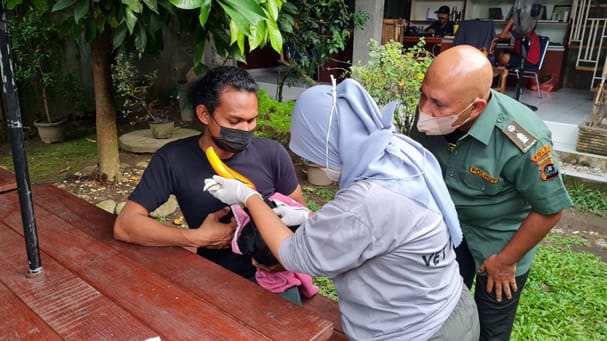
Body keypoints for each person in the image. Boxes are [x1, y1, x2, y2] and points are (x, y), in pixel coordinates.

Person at [204, 78, 480, 340]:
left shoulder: (367, 199)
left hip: (416, 331)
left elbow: (293, 254)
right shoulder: (395, 151)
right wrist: (307, 217)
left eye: (313, 153)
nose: (316, 162)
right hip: (450, 304)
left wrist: (247, 195)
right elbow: (381, 228)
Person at [410, 45, 573, 341]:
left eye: (438, 104)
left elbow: (550, 208)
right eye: (423, 95)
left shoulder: (523, 139)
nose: (425, 110)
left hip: (499, 245)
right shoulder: (430, 112)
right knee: (439, 317)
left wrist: (507, 261)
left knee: (491, 331)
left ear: (476, 108)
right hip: (447, 235)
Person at [113, 66, 305, 283]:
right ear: (204, 114)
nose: (245, 130)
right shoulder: (173, 159)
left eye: (251, 120)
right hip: (210, 280)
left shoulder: (272, 153)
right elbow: (125, 226)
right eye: (234, 121)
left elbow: (299, 211)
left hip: (276, 280)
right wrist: (196, 238)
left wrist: (284, 259)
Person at [493, 0, 540, 69]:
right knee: (500, 51)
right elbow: (502, 36)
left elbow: (502, 35)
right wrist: (493, 37)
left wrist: (512, 19)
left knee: (505, 57)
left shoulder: (524, 30)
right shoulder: (521, 30)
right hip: (520, 55)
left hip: (529, 61)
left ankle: (502, 69)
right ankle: (502, 69)